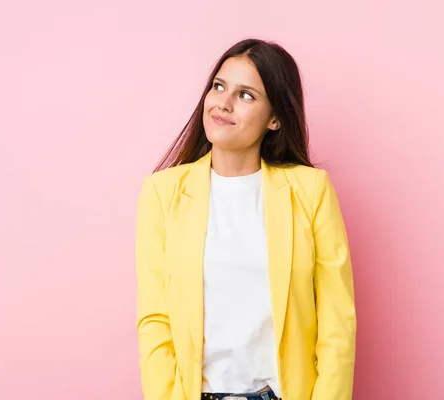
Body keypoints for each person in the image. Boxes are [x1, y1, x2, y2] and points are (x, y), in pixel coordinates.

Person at [135, 38, 356, 400]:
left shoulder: (311, 191)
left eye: (246, 95)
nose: (223, 102)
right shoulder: (163, 193)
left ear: (275, 118)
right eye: (219, 86)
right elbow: (155, 322)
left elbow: (337, 326)